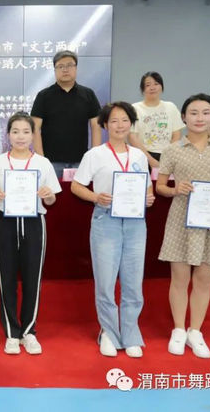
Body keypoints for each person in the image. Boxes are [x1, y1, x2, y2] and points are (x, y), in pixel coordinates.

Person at [156, 93, 210, 359]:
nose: (199, 118)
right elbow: (160, 186)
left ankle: (195, 331)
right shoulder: (172, 150)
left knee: (203, 280)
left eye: (205, 113)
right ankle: (179, 330)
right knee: (179, 279)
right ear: (183, 117)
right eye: (193, 113)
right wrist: (174, 189)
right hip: (181, 220)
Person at [71, 102, 155, 358]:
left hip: (135, 224)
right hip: (105, 220)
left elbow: (148, 188)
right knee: (106, 281)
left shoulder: (139, 155)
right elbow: (76, 186)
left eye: (125, 120)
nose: (120, 125)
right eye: (114, 121)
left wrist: (149, 198)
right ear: (105, 125)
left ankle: (130, 334)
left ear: (131, 123)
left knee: (133, 281)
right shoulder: (95, 154)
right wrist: (96, 197)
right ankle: (108, 332)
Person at [0, 112, 61, 355]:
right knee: (6, 278)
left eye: (26, 132)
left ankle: (29, 331)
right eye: (15, 131)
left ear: (33, 135)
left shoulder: (43, 163)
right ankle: (12, 333)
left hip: (34, 223)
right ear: (8, 135)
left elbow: (52, 200)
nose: (20, 136)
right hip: (4, 222)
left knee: (32, 279)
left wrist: (48, 195)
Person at [31, 50, 102, 178]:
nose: (65, 69)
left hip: (81, 161)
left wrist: (93, 156)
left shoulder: (88, 94)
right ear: (54, 70)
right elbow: (34, 128)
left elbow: (96, 125)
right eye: (60, 66)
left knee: (80, 191)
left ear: (76, 68)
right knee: (50, 192)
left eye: (69, 65)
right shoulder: (43, 96)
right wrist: (41, 159)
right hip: (51, 162)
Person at [128, 72, 184, 168]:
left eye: (156, 84)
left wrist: (168, 156)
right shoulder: (135, 108)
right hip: (143, 155)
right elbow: (132, 137)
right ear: (142, 89)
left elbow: (176, 135)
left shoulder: (171, 107)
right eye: (148, 85)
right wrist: (150, 160)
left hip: (167, 156)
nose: (152, 87)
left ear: (162, 87)